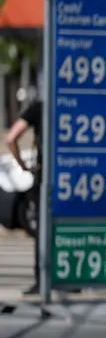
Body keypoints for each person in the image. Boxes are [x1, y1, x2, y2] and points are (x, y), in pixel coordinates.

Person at [6, 98, 42, 295]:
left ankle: (42, 278)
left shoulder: (38, 106)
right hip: (71, 173)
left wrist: (22, 165)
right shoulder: (74, 102)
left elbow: (12, 138)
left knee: (42, 228)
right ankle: (71, 275)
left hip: (45, 177)